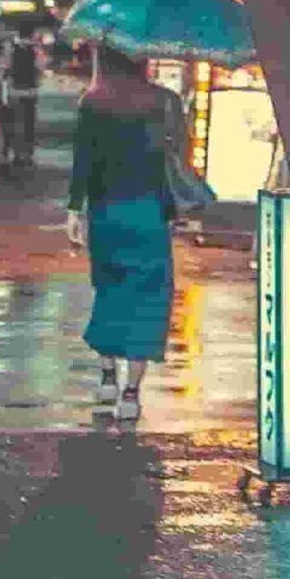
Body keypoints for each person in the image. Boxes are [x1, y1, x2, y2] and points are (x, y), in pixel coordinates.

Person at [65, 46, 178, 422]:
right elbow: (177, 161)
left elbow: (83, 162)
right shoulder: (165, 101)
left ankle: (107, 376)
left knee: (110, 292)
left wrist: (74, 210)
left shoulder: (93, 102)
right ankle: (131, 393)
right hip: (150, 212)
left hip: (106, 212)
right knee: (148, 300)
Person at [1, 27, 42, 171]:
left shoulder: (10, 46)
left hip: (14, 92)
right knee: (29, 123)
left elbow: (5, 66)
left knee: (13, 122)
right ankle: (28, 155)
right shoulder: (35, 48)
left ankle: (15, 154)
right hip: (30, 91)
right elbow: (40, 66)